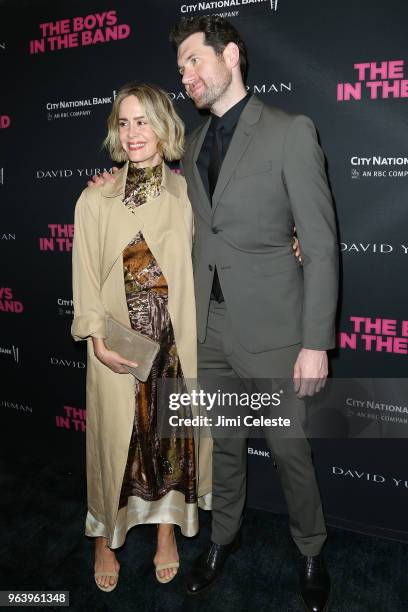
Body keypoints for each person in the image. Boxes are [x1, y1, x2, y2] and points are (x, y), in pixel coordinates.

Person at [168, 16, 338, 612]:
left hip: (275, 331)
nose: (185, 75)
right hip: (209, 330)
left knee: (291, 450)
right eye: (181, 65)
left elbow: (318, 245)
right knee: (225, 446)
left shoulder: (290, 131)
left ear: (231, 55)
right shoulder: (189, 146)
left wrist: (316, 342)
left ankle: (312, 549)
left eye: (194, 60)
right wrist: (113, 180)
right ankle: (222, 539)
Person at [71, 82, 211, 592]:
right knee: (114, 445)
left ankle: (166, 532)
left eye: (143, 121)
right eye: (124, 122)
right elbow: (84, 279)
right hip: (117, 345)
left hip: (172, 346)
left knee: (167, 443)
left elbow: (223, 243)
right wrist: (95, 340)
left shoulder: (186, 194)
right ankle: (104, 537)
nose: (133, 133)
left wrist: (292, 239)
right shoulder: (94, 199)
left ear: (164, 127)